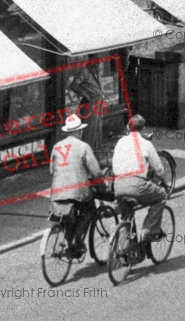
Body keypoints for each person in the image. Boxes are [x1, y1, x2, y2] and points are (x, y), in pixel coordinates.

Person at [49, 114, 104, 258]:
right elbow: (96, 172)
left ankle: (68, 242)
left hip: (57, 192)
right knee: (90, 209)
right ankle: (77, 240)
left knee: (68, 214)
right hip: (78, 191)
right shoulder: (83, 146)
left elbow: (51, 170)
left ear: (67, 131)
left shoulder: (56, 146)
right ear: (79, 131)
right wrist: (101, 187)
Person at [112, 115, 168, 242]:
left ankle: (125, 249)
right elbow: (159, 169)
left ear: (127, 127)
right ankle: (148, 231)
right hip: (137, 185)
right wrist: (164, 182)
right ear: (143, 128)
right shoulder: (146, 143)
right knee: (162, 196)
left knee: (126, 216)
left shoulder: (120, 142)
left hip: (118, 185)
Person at [69, 65, 105, 149]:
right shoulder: (85, 71)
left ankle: (96, 150)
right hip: (90, 102)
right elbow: (74, 85)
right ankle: (87, 150)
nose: (99, 63)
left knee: (98, 126)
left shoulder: (97, 71)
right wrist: (85, 95)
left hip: (98, 102)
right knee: (90, 127)